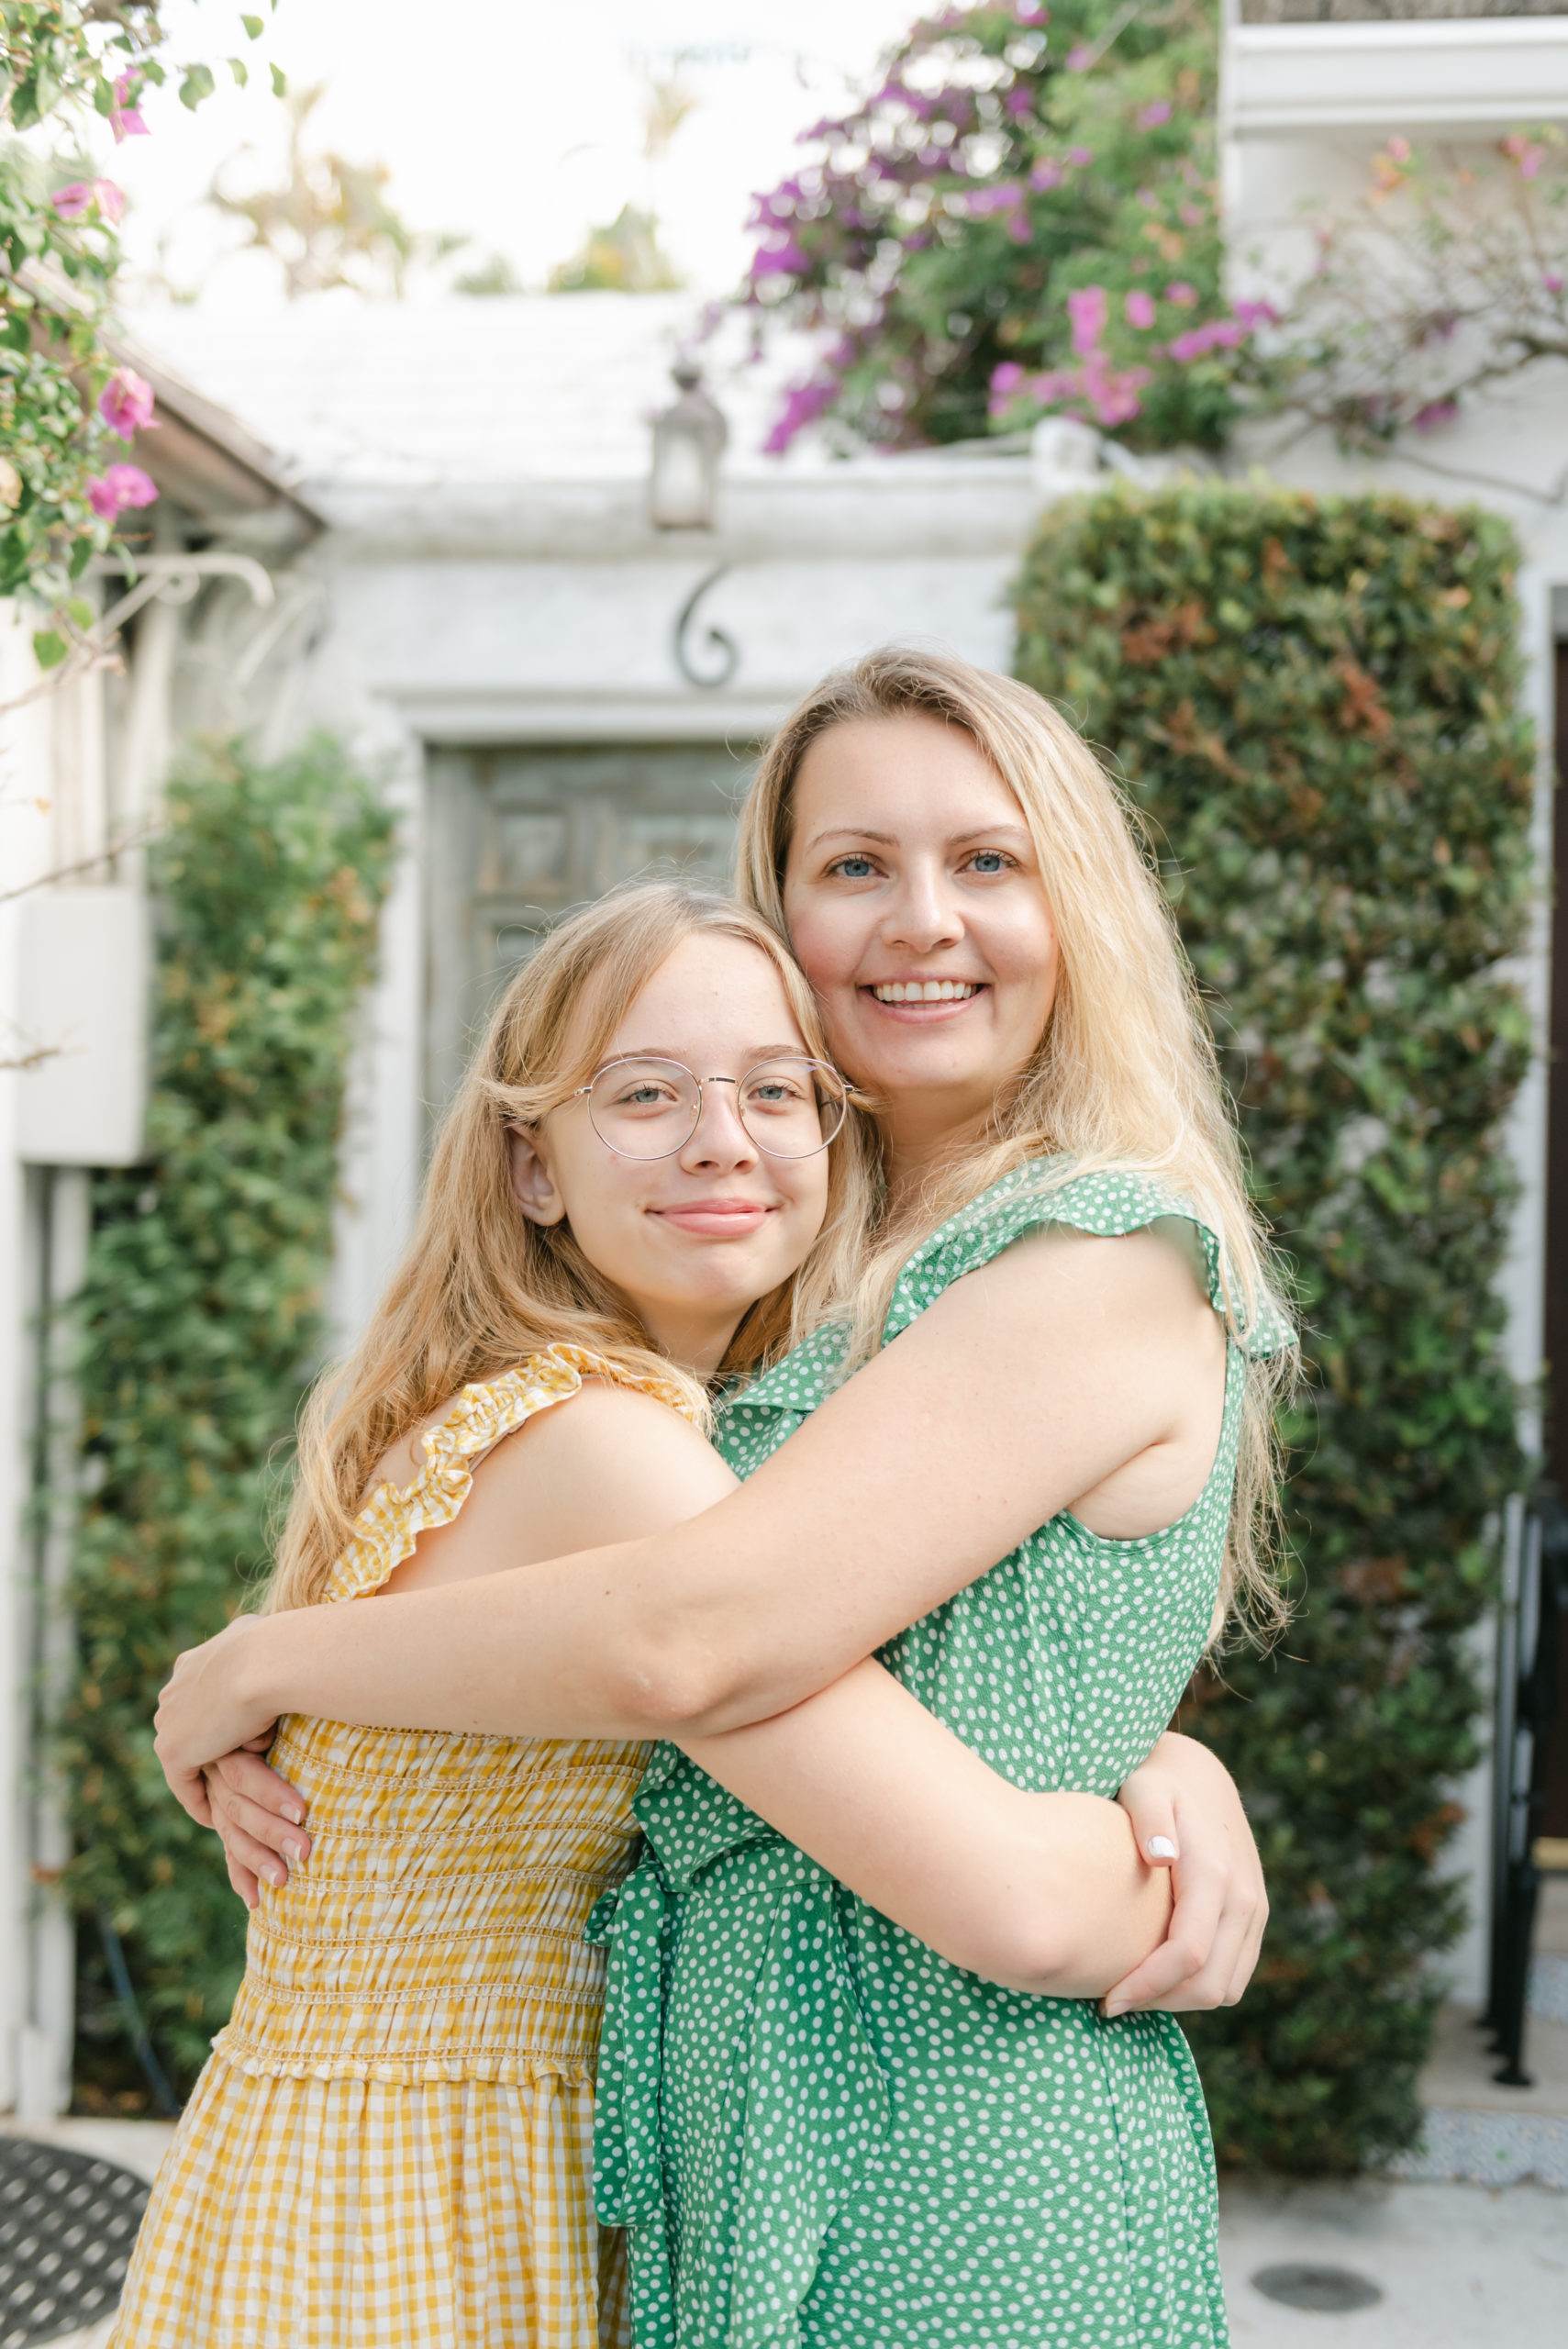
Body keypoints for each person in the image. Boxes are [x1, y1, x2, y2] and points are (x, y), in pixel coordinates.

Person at [157, 651, 1291, 2348]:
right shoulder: (796, 1314)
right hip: (724, 2116)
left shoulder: (1092, 1253)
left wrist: (260, 1661)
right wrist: (1146, 1757)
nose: (920, 919)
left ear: (1080, 902)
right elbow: (868, 1642)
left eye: (987, 860)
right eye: (854, 867)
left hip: (944, 2131)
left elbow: (702, 1633)